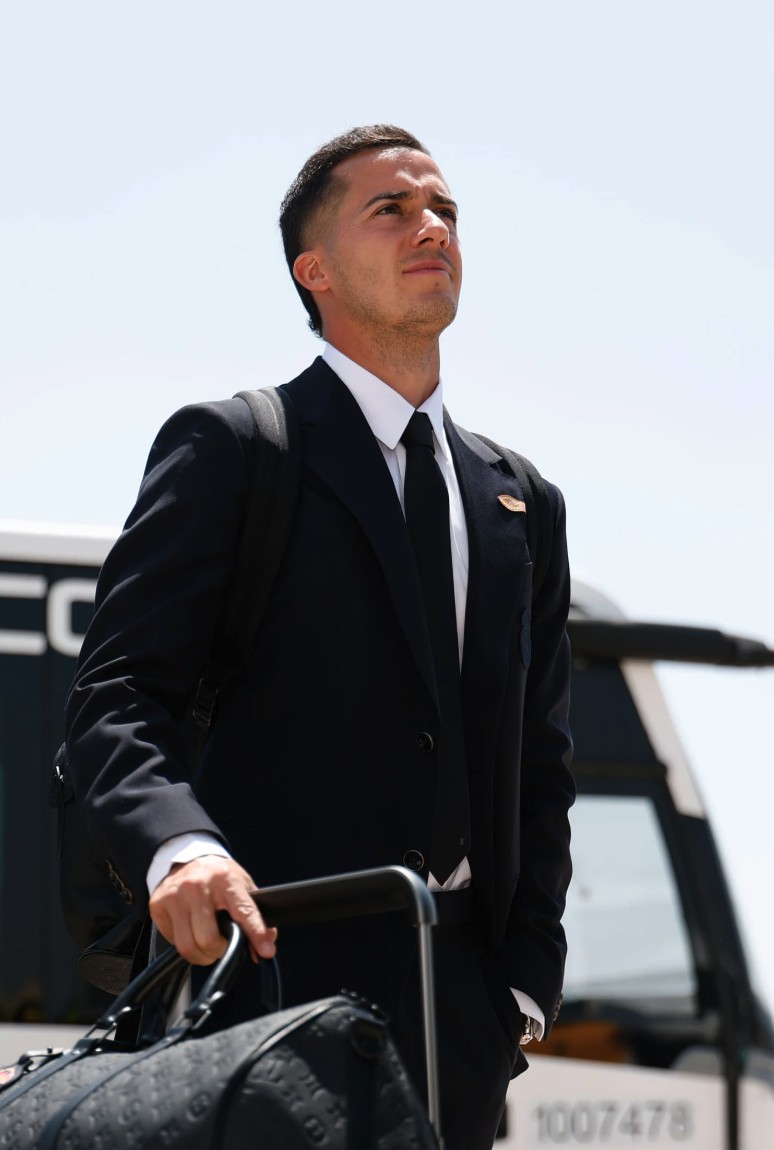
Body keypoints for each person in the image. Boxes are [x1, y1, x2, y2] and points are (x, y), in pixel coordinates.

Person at [65, 125, 574, 1150]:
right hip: (264, 993)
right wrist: (180, 851)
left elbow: (540, 764)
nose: (432, 227)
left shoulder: (524, 499)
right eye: (392, 209)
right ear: (316, 270)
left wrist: (520, 983)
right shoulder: (238, 448)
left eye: (445, 210)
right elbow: (116, 696)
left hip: (460, 1020)